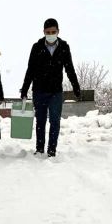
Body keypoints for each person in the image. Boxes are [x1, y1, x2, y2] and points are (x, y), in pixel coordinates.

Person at [20, 18, 80, 157]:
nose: (51, 34)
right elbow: (30, 70)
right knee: (40, 121)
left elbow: (69, 68)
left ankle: (52, 149)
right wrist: (24, 89)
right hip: (39, 91)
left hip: (56, 92)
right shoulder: (37, 47)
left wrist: (76, 87)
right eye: (48, 32)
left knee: (54, 121)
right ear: (44, 32)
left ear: (58, 31)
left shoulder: (64, 47)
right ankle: (40, 148)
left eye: (53, 31)